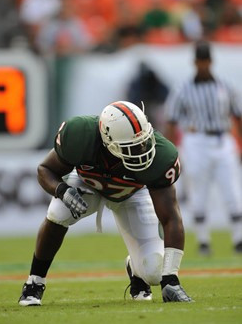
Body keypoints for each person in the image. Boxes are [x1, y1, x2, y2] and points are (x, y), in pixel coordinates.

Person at [18, 100, 192, 306]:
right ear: (108, 140)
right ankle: (34, 282)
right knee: (59, 212)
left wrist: (170, 278)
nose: (141, 149)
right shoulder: (80, 135)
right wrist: (62, 191)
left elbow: (171, 217)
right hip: (87, 185)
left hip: (131, 194)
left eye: (143, 142)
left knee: (154, 273)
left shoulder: (161, 156)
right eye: (132, 146)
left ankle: (136, 270)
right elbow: (45, 169)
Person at [164, 40, 242, 255]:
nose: (203, 65)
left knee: (232, 190)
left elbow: (238, 115)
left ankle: (238, 238)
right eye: (200, 61)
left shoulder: (225, 85)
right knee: (198, 190)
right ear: (195, 62)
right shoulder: (183, 89)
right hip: (196, 140)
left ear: (211, 61)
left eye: (206, 61)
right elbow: (171, 119)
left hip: (223, 139)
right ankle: (203, 240)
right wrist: (172, 150)